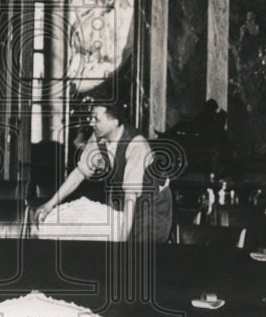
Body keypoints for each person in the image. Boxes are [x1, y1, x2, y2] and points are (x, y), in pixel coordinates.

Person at [35, 102, 172, 242]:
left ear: (114, 122)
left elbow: (130, 198)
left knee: (141, 257)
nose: (91, 123)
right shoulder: (98, 138)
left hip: (153, 206)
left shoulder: (136, 145)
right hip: (128, 203)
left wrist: (121, 245)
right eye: (91, 118)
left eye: (97, 119)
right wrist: (49, 204)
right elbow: (79, 173)